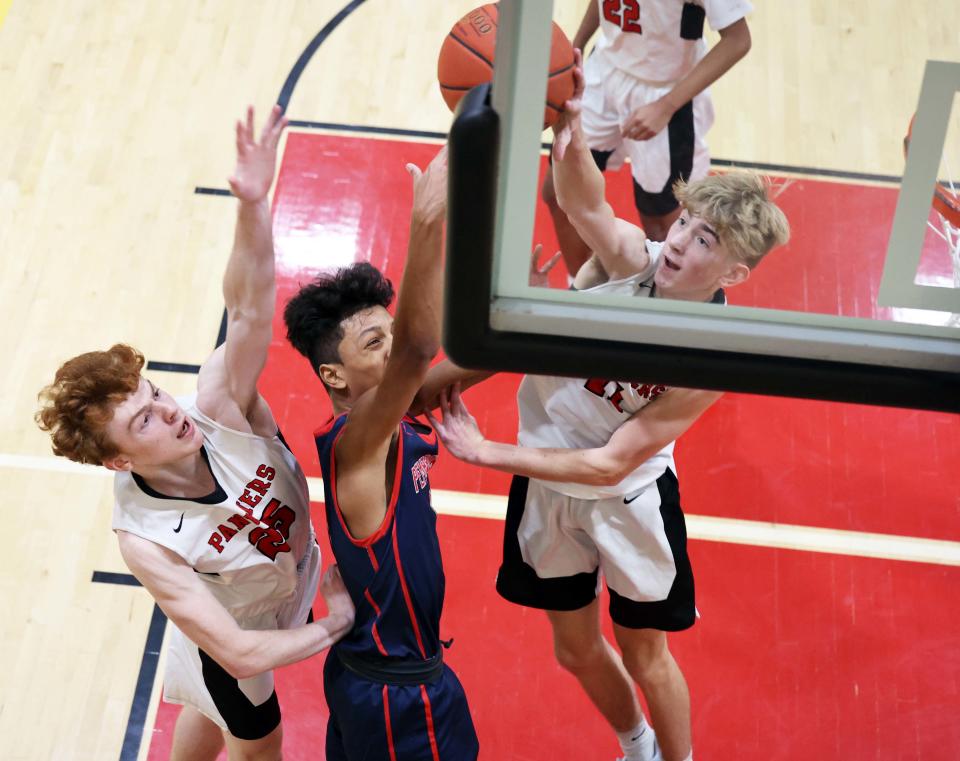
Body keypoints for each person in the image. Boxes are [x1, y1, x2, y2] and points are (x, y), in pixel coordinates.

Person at [425, 58, 789, 761]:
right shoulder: (639, 264)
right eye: (685, 223)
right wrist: (570, 121)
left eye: (704, 241)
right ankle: (637, 744)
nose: (680, 241)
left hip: (625, 497)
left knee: (646, 653)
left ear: (735, 273)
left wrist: (488, 452)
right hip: (547, 486)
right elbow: (586, 203)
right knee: (572, 647)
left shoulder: (712, 358)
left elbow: (611, 461)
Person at [35, 105, 355, 761]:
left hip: (283, 583)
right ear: (120, 460)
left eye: (152, 391)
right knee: (255, 747)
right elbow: (238, 651)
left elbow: (248, 306)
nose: (169, 409)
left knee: (205, 723)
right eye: (144, 418)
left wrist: (252, 204)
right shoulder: (145, 540)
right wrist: (339, 623)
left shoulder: (216, 404)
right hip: (236, 638)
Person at [283, 145, 479, 761]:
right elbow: (421, 347)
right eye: (375, 344)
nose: (393, 349)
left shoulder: (393, 416)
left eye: (389, 334)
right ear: (335, 376)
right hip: (399, 704)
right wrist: (427, 222)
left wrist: (518, 320)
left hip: (380, 681)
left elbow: (448, 365)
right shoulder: (357, 444)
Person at [544, 0, 753, 281]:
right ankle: (581, 289)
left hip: (666, 91)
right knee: (558, 193)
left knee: (661, 229)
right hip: (603, 71)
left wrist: (666, 106)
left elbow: (738, 41)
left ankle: (654, 312)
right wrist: (576, 49)